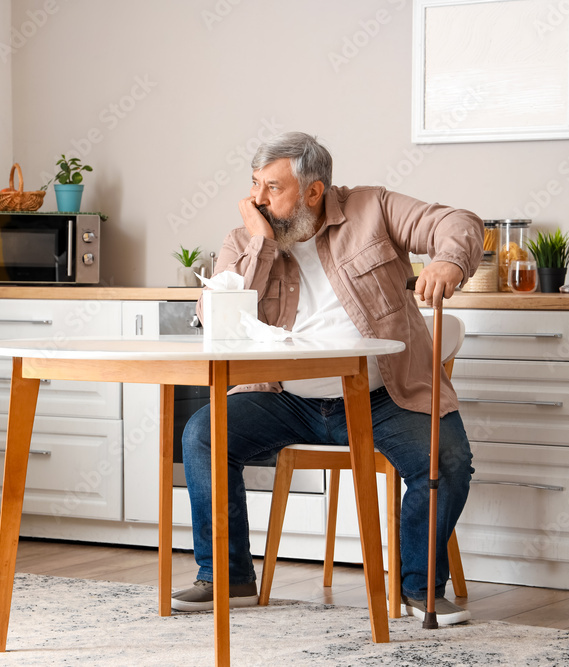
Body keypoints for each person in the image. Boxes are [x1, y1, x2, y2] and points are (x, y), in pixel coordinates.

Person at [171, 131, 482, 625]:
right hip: (284, 398)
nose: (257, 199)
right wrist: (261, 243)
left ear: (313, 191)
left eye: (273, 187)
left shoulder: (372, 208)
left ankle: (418, 588)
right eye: (255, 184)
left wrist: (447, 258)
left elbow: (456, 221)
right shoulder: (244, 239)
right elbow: (216, 317)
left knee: (448, 459)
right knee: (203, 435)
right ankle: (227, 578)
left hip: (382, 394)